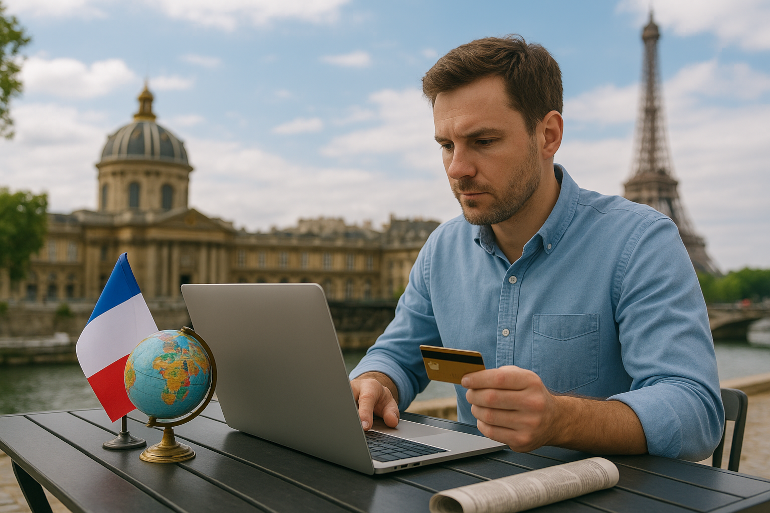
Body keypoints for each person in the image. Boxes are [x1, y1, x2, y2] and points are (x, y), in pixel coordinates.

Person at [349, 35, 724, 460]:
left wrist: (561, 419)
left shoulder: (640, 242)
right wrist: (374, 382)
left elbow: (696, 412)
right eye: (447, 145)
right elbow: (396, 354)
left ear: (548, 135)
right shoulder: (442, 250)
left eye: (484, 141)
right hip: (473, 494)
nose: (458, 169)